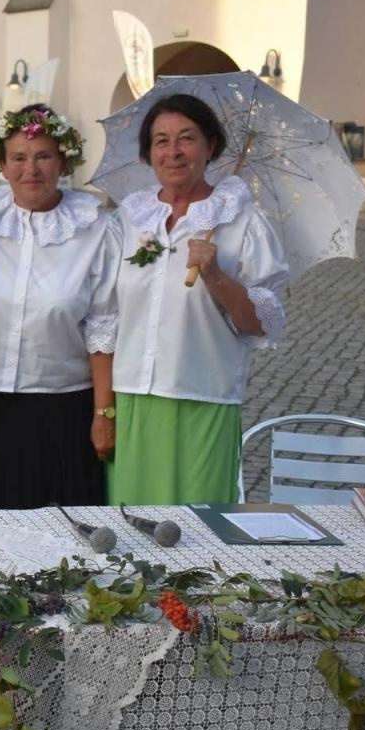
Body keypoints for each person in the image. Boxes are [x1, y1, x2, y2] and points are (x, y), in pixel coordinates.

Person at [107, 92, 288, 505]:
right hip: (132, 398)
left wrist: (215, 275)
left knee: (197, 527)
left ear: (211, 146)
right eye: (161, 141)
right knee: (132, 524)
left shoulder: (242, 221)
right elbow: (105, 314)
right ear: (148, 153)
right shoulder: (130, 218)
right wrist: (104, 409)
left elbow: (261, 323)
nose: (173, 152)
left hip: (203, 396)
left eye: (186, 138)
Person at [0, 104, 119, 508]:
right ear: (2, 165)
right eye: (19, 158)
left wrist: (104, 413)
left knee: (65, 527)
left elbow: (103, 325)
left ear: (63, 161)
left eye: (43, 156)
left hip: (65, 404)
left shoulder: (96, 230)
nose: (31, 169)